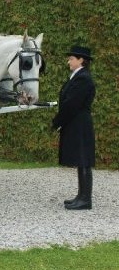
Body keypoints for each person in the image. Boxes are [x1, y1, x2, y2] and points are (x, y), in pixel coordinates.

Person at [52, 45, 96, 210]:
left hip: (80, 123)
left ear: (81, 60)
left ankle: (85, 200)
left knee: (84, 160)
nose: (68, 61)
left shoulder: (83, 78)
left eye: (71, 58)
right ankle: (81, 196)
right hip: (77, 122)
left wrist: (58, 121)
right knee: (81, 159)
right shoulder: (78, 76)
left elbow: (71, 104)